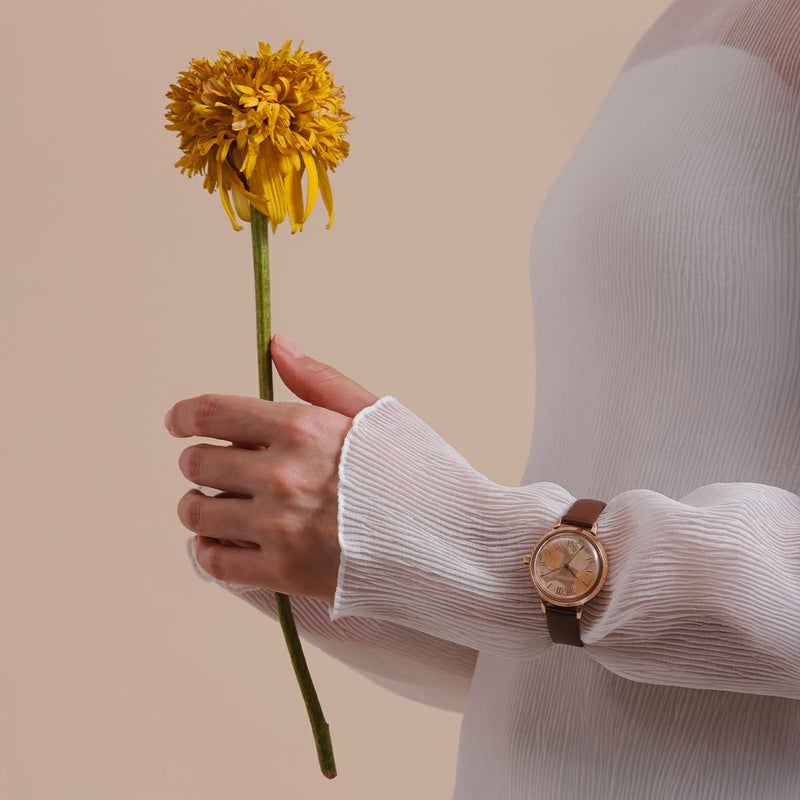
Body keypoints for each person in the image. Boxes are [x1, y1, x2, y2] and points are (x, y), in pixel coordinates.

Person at [165, 0, 800, 796]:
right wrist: (387, 552)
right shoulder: (690, 22)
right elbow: (583, 655)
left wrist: (490, 546)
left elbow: (548, 585)